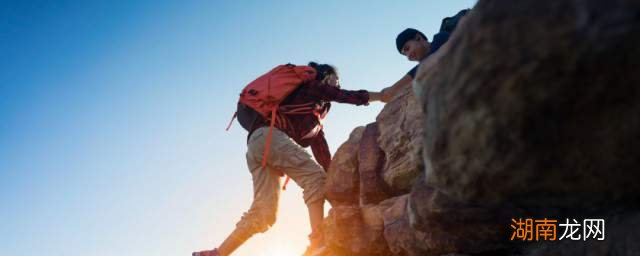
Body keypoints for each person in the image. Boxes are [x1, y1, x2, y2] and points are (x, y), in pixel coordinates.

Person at [193, 62, 383, 256]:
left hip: (257, 145)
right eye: (337, 80)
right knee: (315, 179)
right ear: (326, 76)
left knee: (264, 214)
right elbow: (344, 96)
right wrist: (382, 95)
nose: (338, 85)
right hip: (269, 137)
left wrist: (338, 183)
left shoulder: (313, 118)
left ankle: (217, 253)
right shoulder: (311, 88)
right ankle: (318, 243)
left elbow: (324, 157)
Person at [380, 9, 470, 102]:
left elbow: (430, 60)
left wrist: (393, 89)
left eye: (407, 48)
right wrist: (370, 96)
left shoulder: (440, 37)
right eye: (405, 54)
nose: (408, 56)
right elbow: (384, 96)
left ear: (418, 38)